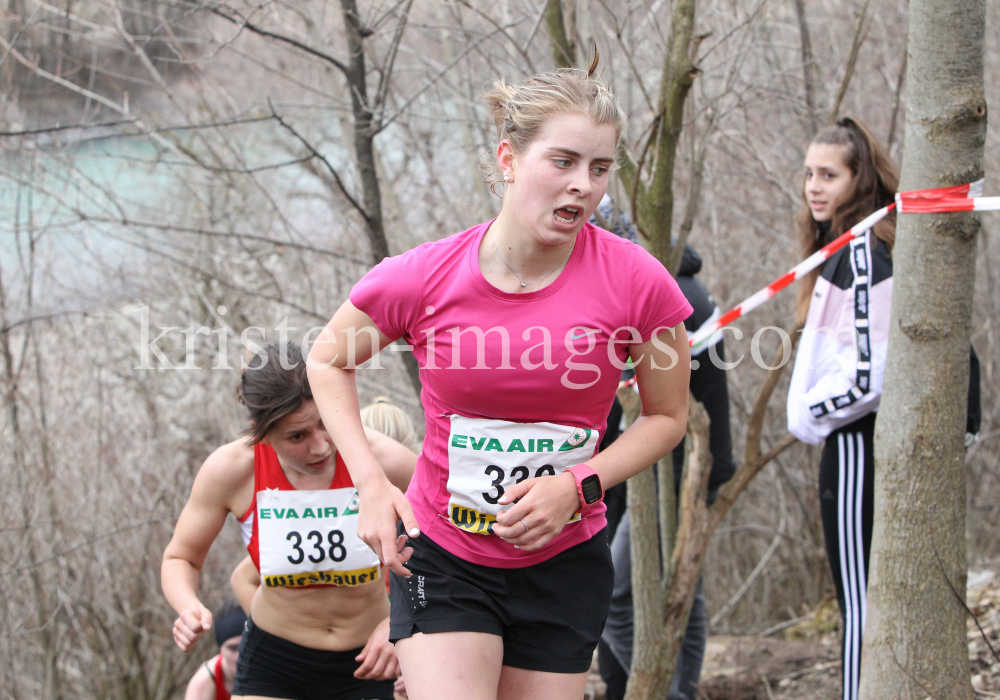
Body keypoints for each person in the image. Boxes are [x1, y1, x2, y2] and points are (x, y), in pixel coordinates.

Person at [306, 60, 694, 700]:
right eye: (563, 162)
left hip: (564, 560)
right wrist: (370, 485)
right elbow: (327, 359)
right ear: (509, 159)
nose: (582, 186)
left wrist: (577, 484)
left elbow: (665, 419)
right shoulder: (425, 277)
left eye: (599, 169)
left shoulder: (638, 281)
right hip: (445, 554)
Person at [786, 117, 981, 700]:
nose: (814, 187)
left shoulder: (867, 249)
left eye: (829, 175)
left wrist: (810, 415)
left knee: (860, 603)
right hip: (869, 443)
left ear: (860, 179)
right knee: (872, 599)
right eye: (808, 174)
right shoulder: (848, 246)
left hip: (855, 445)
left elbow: (873, 372)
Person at [161, 342, 417, 700]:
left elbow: (450, 546)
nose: (320, 447)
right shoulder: (232, 471)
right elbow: (181, 558)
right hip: (275, 661)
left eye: (324, 424)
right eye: (297, 436)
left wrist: (402, 623)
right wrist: (188, 606)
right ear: (260, 432)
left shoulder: (384, 460)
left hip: (371, 659)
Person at [590, 197, 735, 700]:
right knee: (681, 592)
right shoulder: (652, 281)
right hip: (658, 466)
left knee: (621, 597)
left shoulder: (657, 292)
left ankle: (663, 693)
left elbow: (650, 398)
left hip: (673, 467)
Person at [184, 600, 246, 700]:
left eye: (246, 647)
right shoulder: (203, 683)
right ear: (220, 649)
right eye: (233, 648)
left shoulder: (268, 672)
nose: (240, 656)